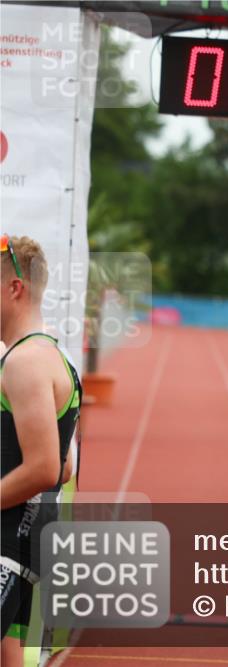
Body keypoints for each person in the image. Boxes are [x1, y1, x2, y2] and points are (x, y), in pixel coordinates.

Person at [0, 235, 82, 667]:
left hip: (6, 542)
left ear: (15, 288)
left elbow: (46, 467)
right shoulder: (56, 358)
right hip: (25, 544)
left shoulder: (24, 361)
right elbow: (66, 464)